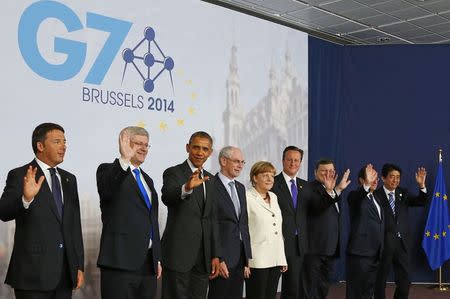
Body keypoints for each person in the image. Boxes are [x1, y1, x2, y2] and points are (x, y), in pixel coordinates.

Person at [0, 122, 84, 299]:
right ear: (40, 146)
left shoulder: (70, 179)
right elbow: (4, 212)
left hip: (64, 275)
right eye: (57, 141)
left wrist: (78, 266)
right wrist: (26, 199)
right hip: (32, 274)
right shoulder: (20, 174)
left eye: (64, 141)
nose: (64, 146)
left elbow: (74, 226)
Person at [96, 126, 161, 299]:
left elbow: (152, 220)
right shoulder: (107, 170)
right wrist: (124, 159)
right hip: (120, 262)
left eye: (146, 145)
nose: (144, 148)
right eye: (138, 143)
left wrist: (157, 257)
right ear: (125, 143)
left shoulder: (148, 180)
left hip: (148, 265)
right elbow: (108, 190)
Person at [161, 131, 221, 299]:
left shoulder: (211, 179)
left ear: (210, 152)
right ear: (188, 148)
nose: (200, 152)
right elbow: (167, 197)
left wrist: (215, 254)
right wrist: (186, 187)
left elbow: (211, 218)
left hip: (203, 258)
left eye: (205, 149)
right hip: (178, 255)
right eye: (196, 147)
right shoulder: (173, 172)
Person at [374, 163, 428, 299]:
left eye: (398, 177)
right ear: (383, 178)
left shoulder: (402, 193)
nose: (395, 180)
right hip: (383, 244)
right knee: (380, 282)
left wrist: (422, 186)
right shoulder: (375, 195)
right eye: (392, 177)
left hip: (401, 244)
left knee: (405, 281)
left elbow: (421, 202)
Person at [208, 146, 252, 299]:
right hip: (222, 259)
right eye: (236, 161)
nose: (240, 165)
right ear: (223, 161)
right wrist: (218, 258)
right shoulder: (210, 185)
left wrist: (247, 258)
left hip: (239, 258)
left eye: (242, 162)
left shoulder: (240, 188)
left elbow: (243, 223)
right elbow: (211, 225)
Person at [303, 158, 350, 299]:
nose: (328, 174)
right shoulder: (308, 188)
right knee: (308, 287)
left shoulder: (334, 190)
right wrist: (333, 191)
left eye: (331, 171)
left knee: (323, 285)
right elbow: (317, 208)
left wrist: (336, 190)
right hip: (313, 248)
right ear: (315, 172)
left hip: (330, 248)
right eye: (324, 171)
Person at [270, 146, 311, 299]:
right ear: (282, 161)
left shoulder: (305, 185)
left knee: (296, 287)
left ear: (300, 162)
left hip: (300, 243)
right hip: (279, 241)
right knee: (273, 286)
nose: (293, 163)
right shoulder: (272, 183)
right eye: (289, 160)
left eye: (296, 160)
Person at [245, 161, 287, 299]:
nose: (270, 179)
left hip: (275, 258)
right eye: (265, 175)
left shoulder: (274, 197)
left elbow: (278, 230)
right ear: (255, 178)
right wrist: (245, 261)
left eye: (272, 176)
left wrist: (282, 258)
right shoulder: (246, 197)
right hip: (257, 260)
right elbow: (243, 231)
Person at [346, 164, 384, 299]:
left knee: (368, 292)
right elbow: (357, 197)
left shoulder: (377, 199)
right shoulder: (354, 197)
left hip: (375, 254)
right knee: (356, 292)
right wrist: (366, 186)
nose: (375, 181)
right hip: (360, 254)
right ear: (362, 180)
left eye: (376, 178)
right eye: (371, 177)